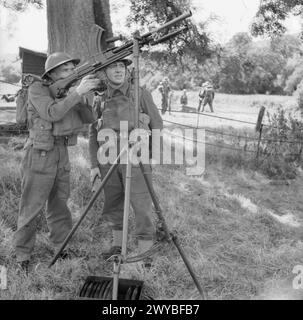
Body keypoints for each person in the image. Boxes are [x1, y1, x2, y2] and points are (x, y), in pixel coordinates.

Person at [14, 52, 99, 273]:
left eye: (73, 69)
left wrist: (81, 94)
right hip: (39, 155)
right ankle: (22, 254)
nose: (72, 73)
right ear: (51, 74)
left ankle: (60, 247)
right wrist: (76, 93)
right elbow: (51, 113)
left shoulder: (69, 91)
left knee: (60, 205)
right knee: (31, 206)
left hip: (61, 152)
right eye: (66, 70)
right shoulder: (37, 89)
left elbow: (90, 119)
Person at [88, 58, 163, 265]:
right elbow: (93, 134)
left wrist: (154, 156)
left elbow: (157, 124)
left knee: (142, 206)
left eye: (121, 66)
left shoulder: (141, 94)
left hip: (137, 159)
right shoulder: (99, 99)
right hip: (108, 160)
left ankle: (144, 254)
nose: (118, 70)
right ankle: (117, 246)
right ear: (105, 71)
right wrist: (94, 165)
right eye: (113, 66)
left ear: (126, 70)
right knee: (113, 204)